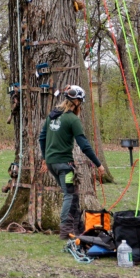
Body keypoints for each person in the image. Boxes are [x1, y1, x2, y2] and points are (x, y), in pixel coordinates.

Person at [38, 85, 107, 239]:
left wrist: (45, 158)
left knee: (73, 194)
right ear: (76, 101)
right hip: (65, 166)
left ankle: (76, 227)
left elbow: (42, 138)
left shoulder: (52, 116)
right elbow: (84, 145)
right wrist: (98, 164)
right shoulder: (72, 119)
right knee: (69, 195)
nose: (80, 105)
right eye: (80, 102)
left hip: (51, 163)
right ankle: (65, 230)